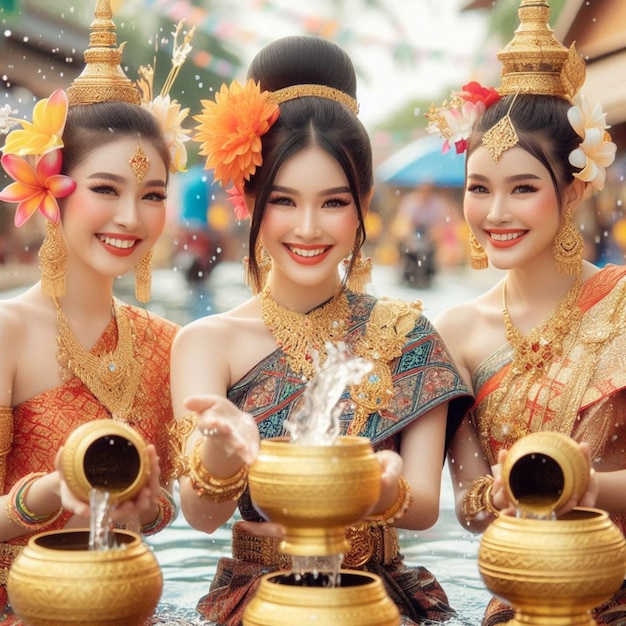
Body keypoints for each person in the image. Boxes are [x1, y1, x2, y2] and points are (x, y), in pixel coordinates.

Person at [169, 35, 473, 626]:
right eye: (283, 200)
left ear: (363, 201)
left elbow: (424, 506)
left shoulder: (406, 333)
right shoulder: (207, 343)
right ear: (248, 196)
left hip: (378, 596)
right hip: (254, 601)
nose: (308, 228)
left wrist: (380, 490)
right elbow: (201, 515)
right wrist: (222, 449)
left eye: (333, 202)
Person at [428, 1, 625, 624]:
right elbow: (466, 504)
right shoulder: (456, 333)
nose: (495, 213)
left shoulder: (622, 305)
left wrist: (585, 489)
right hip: (519, 599)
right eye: (479, 187)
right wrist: (507, 493)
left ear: (574, 188)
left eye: (522, 188)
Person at [0, 0, 192, 621]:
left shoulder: (168, 342)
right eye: (105, 189)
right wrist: (52, 493)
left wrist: (150, 508)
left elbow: (165, 506)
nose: (131, 218)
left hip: (125, 603)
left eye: (153, 195)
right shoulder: (5, 333)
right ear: (52, 191)